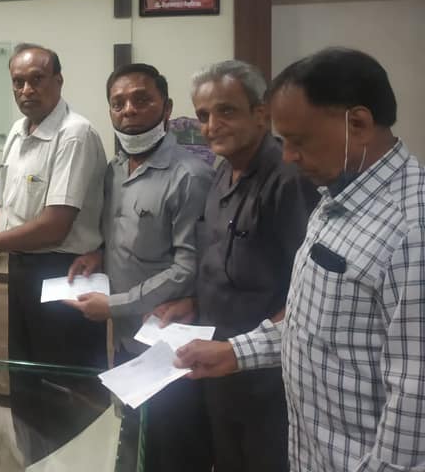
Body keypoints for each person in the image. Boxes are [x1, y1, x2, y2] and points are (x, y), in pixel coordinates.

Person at [176, 48, 425, 472]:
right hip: (309, 452)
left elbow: (415, 398)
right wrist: (234, 352)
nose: (288, 156)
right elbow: (311, 325)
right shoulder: (335, 198)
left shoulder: (411, 228)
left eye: (299, 140)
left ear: (358, 124)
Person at [0, 44, 108, 463]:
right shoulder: (18, 131)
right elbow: (10, 213)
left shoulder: (74, 134)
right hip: (24, 267)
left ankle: (76, 464)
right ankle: (33, 462)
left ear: (58, 81)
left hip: (64, 273)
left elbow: (54, 225)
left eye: (37, 79)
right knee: (26, 379)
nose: (27, 89)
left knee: (64, 385)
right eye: (18, 81)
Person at [150, 60, 316, 472]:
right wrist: (192, 302)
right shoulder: (223, 171)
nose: (211, 126)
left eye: (226, 111)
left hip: (269, 377)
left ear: (260, 113)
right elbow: (222, 260)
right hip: (218, 366)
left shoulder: (288, 179)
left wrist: (245, 350)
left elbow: (309, 291)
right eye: (204, 115)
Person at [66, 62, 213, 472]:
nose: (128, 110)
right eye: (118, 103)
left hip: (170, 343)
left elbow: (188, 267)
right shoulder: (113, 171)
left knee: (172, 449)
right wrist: (99, 254)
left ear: (167, 107)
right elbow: (122, 235)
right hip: (126, 340)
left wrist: (113, 305)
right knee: (132, 440)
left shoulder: (191, 175)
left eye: (141, 100)